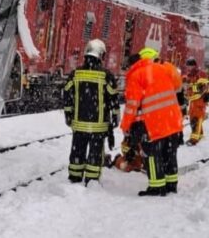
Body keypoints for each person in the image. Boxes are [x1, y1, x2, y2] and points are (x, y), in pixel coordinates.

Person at [121, 47, 183, 196]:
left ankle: (156, 187)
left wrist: (125, 125)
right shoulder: (163, 69)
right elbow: (177, 86)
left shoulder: (136, 75)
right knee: (170, 153)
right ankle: (171, 185)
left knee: (151, 154)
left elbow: (132, 105)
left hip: (153, 123)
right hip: (173, 119)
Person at [62, 39, 118, 186]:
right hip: (98, 126)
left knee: (77, 151)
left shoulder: (75, 74)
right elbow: (113, 99)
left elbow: (67, 94)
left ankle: (74, 176)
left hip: (79, 123)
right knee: (95, 152)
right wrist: (115, 117)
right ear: (101, 55)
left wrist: (68, 114)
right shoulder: (106, 76)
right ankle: (91, 180)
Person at [184, 57, 209, 145]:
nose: (188, 68)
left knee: (196, 119)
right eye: (188, 67)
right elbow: (188, 86)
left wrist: (206, 93)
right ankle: (200, 133)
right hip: (193, 100)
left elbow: (206, 85)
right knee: (192, 118)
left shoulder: (200, 74)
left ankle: (194, 139)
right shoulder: (190, 75)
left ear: (194, 65)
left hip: (200, 100)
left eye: (189, 66)